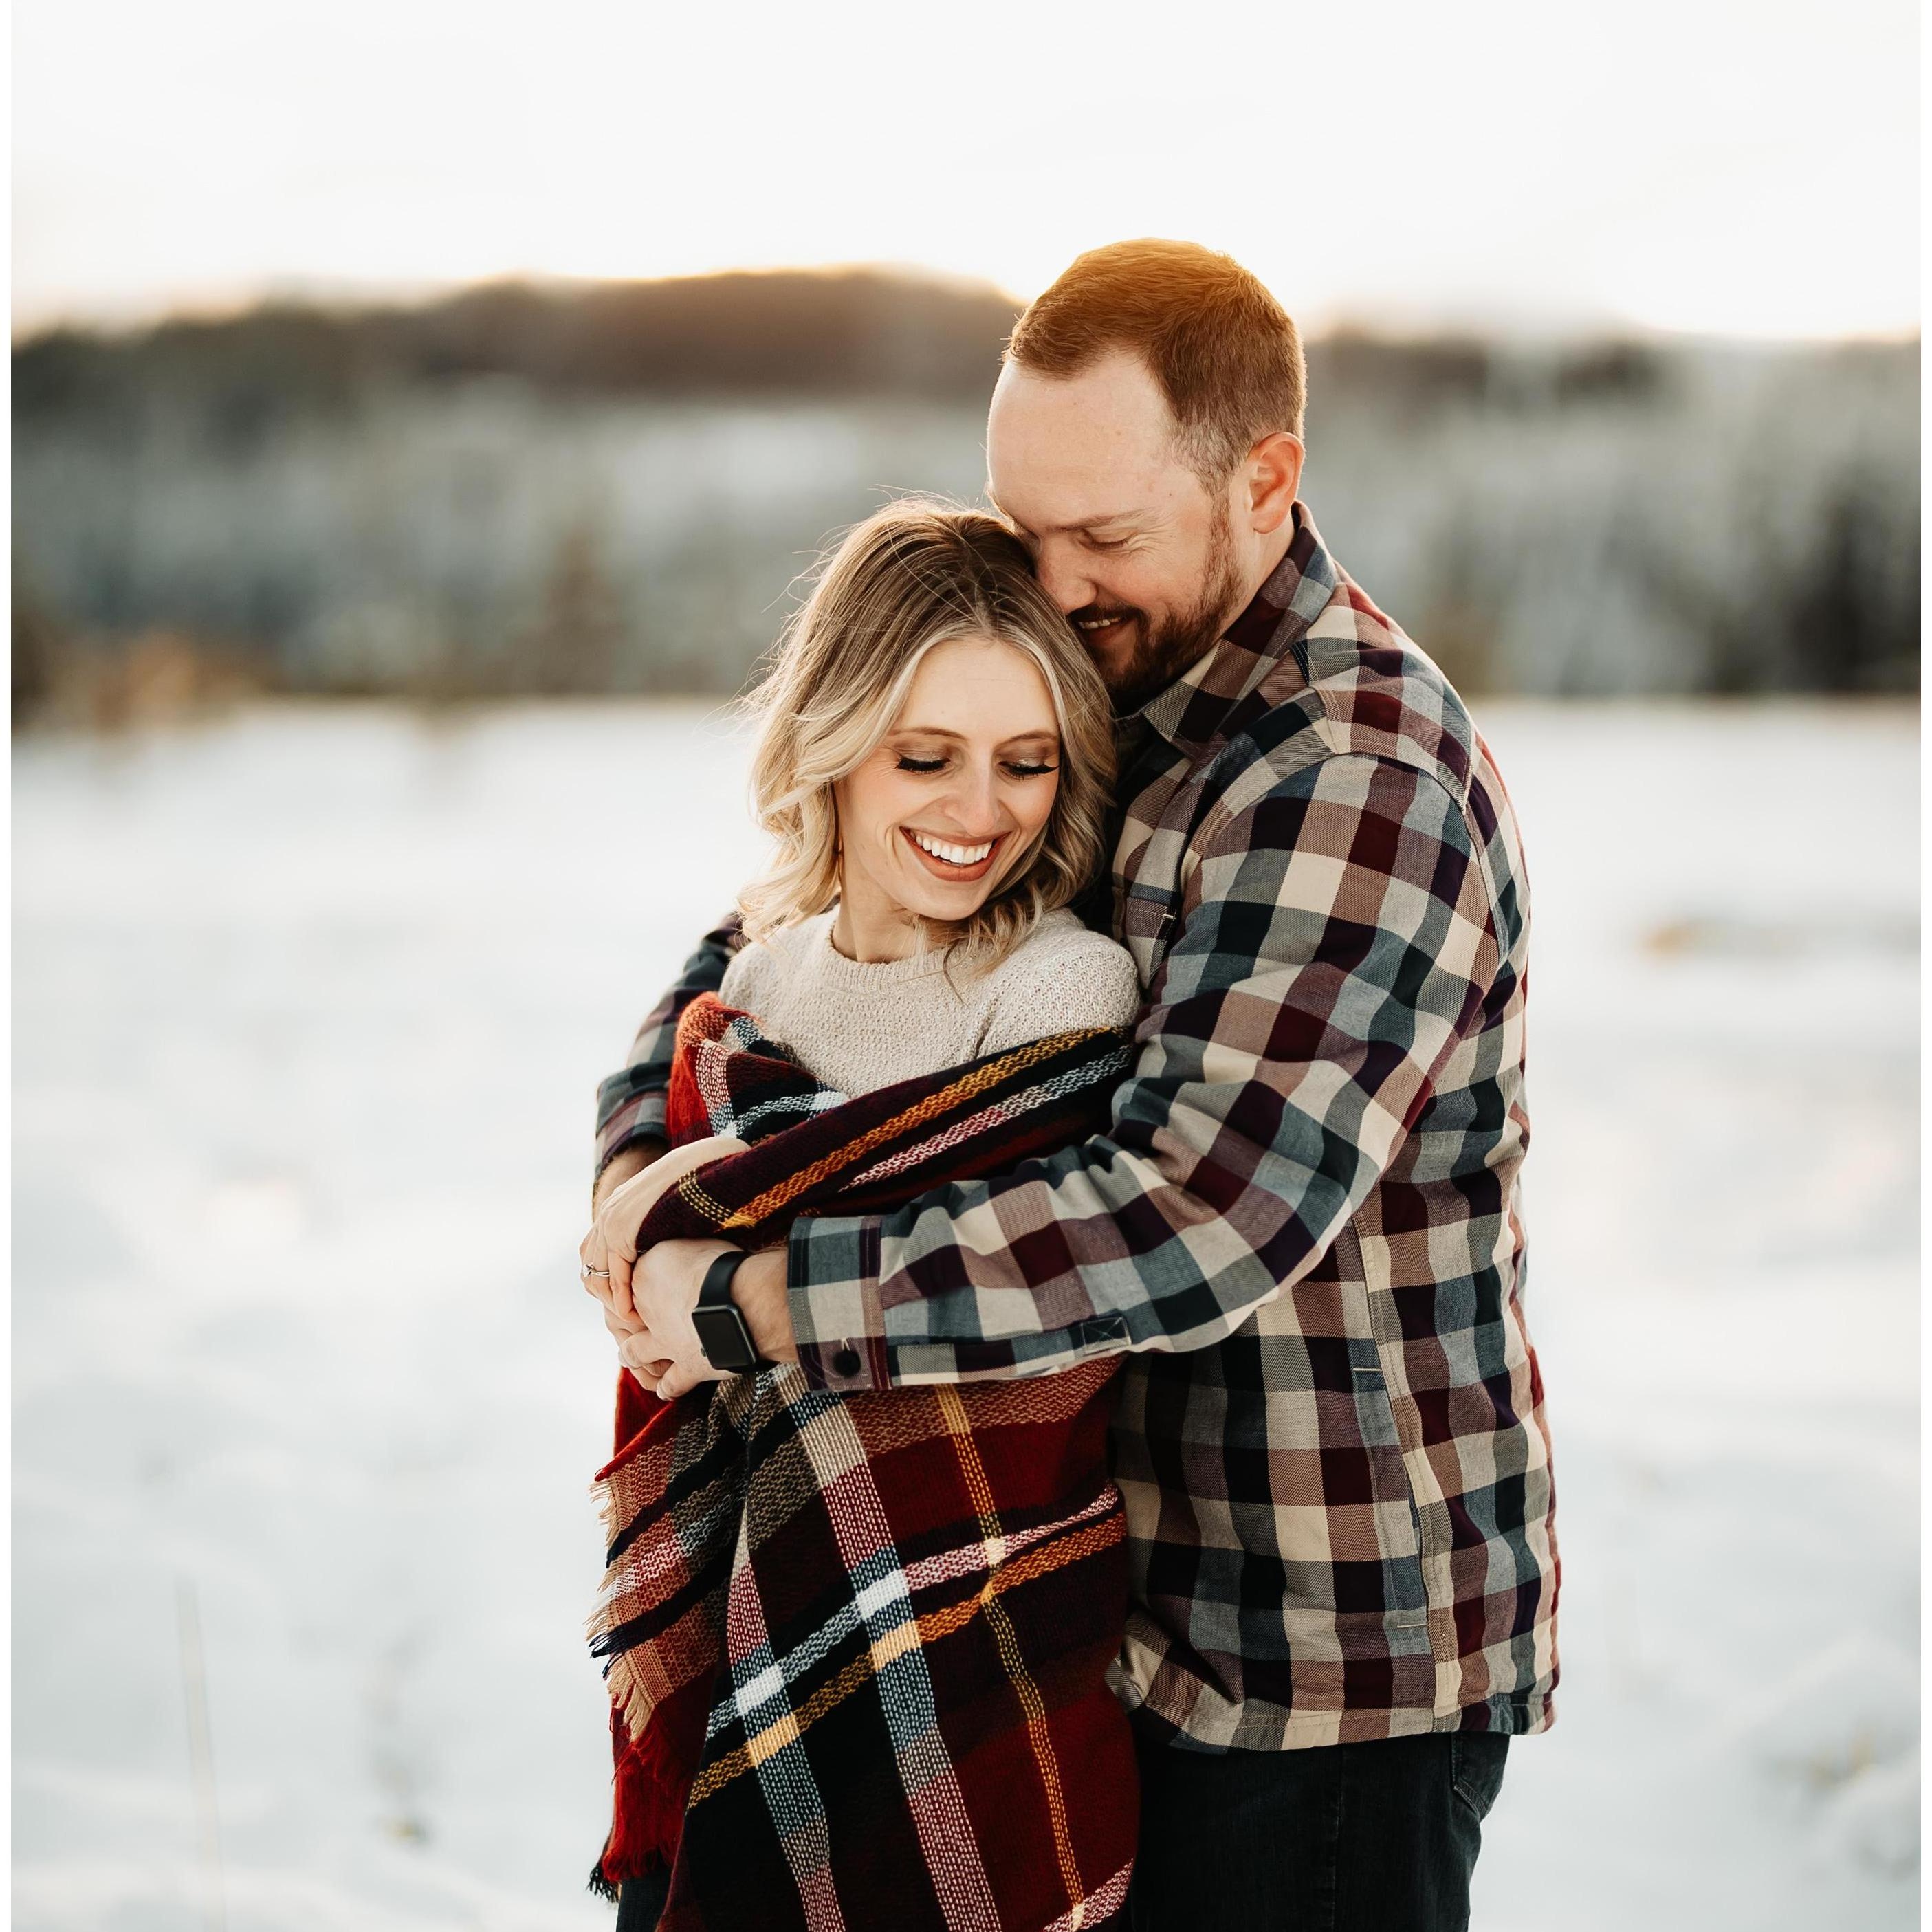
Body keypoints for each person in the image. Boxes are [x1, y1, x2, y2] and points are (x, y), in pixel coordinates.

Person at [600, 240, 1560, 1932]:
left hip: (1314, 1662)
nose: (1050, 582)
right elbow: (774, 939)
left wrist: (752, 1298)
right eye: (1022, 526)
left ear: (1264, 480)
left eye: (1101, 535)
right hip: (1096, 1617)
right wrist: (642, 1177)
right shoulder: (1117, 688)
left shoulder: (1348, 770)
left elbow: (1192, 1215)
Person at [580, 501, 1145, 1931]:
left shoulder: (1056, 987)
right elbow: (677, 1213)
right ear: (832, 741)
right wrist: (653, 1221)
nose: (980, 811)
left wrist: (713, 1259)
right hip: (739, 1613)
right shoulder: (759, 980)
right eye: (925, 756)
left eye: (1027, 761)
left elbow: (1006, 1296)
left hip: (966, 1643)